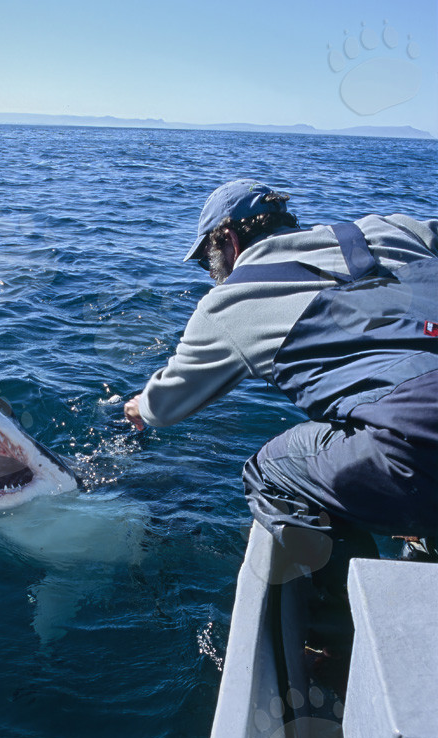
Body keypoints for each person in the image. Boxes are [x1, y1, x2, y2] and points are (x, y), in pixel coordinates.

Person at [124, 179, 438, 641]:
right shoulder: (392, 229)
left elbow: (165, 405)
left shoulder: (231, 302)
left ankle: (343, 630)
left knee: (269, 474)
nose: (213, 274)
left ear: (227, 241)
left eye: (210, 262)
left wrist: (139, 407)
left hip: (419, 445)